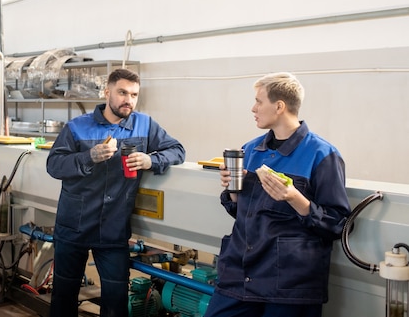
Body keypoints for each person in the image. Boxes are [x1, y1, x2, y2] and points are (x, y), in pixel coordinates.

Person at [204, 72, 351, 317]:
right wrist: (232, 190)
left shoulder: (322, 155)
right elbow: (240, 212)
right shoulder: (249, 150)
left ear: (279, 106)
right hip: (240, 275)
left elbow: (338, 224)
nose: (253, 108)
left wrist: (294, 197)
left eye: (259, 101)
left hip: (289, 284)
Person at [46, 68, 186, 317]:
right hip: (73, 226)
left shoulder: (145, 124)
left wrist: (149, 161)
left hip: (113, 229)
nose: (128, 100)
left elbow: (177, 150)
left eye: (134, 94)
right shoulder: (77, 127)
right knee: (63, 298)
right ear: (107, 92)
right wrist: (89, 156)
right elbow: (54, 165)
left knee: (115, 302)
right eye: (122, 92)